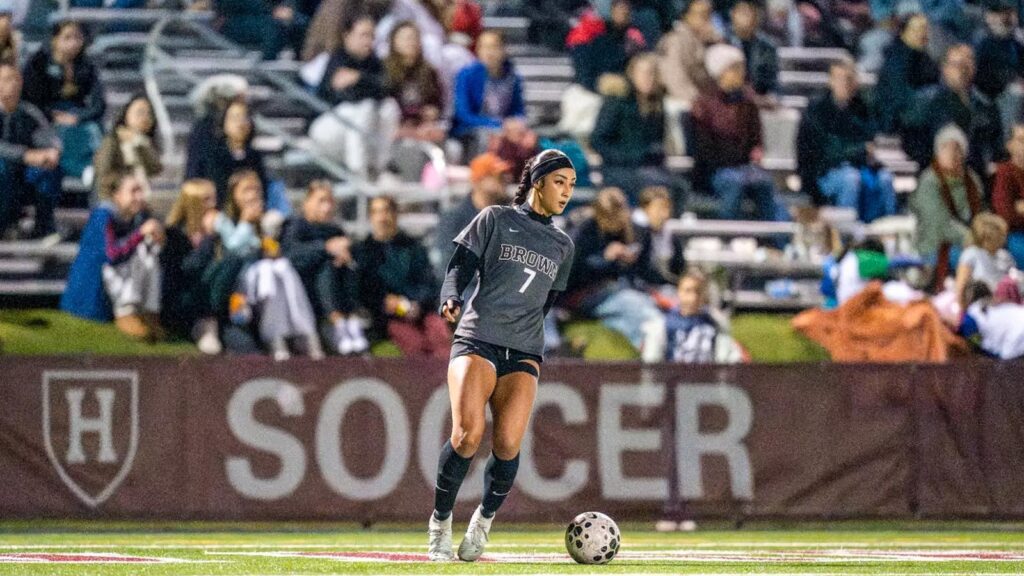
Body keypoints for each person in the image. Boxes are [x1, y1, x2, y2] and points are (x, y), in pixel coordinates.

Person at [427, 149, 577, 562]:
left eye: (571, 184)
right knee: (467, 435)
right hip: (478, 337)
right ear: (538, 182)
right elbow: (459, 265)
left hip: (525, 348)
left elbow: (546, 303)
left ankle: (483, 521)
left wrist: (525, 332)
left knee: (508, 444)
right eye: (560, 181)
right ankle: (440, 523)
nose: (566, 192)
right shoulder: (495, 218)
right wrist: (451, 296)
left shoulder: (563, 244)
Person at [215, 170, 324, 361]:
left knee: (282, 267)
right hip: (239, 289)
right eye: (247, 189)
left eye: (256, 189)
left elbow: (282, 252)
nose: (253, 195)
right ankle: (273, 336)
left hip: (270, 287)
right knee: (267, 270)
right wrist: (246, 223)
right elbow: (233, 250)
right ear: (234, 194)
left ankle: (302, 332)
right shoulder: (224, 221)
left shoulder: (269, 221)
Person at [564, 187, 667, 362]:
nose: (615, 223)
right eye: (609, 218)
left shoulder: (637, 231)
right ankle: (650, 357)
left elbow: (647, 271)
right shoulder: (584, 229)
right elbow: (571, 273)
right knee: (648, 317)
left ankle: (645, 352)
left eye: (619, 216)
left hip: (625, 289)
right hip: (585, 292)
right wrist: (606, 259)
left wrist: (631, 260)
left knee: (638, 315)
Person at [61, 172, 165, 341]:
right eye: (133, 191)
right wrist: (140, 233)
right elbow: (112, 255)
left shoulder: (137, 216)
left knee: (150, 252)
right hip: (91, 294)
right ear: (117, 195)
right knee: (139, 251)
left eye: (140, 191)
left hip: (116, 281)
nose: (139, 197)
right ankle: (127, 312)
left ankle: (150, 313)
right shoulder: (104, 216)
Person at [692, 44, 783, 221]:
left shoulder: (748, 103)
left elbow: (757, 139)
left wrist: (756, 153)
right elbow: (704, 149)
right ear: (721, 73)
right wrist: (734, 162)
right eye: (734, 69)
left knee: (765, 182)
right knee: (734, 182)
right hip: (715, 170)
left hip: (745, 167)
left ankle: (774, 239)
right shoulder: (703, 105)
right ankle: (728, 236)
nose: (741, 73)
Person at [797, 59, 897, 222]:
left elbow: (869, 143)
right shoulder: (817, 111)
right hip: (823, 173)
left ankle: (886, 235)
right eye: (840, 78)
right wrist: (858, 151)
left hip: (859, 166)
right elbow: (828, 152)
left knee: (885, 179)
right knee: (851, 179)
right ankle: (847, 236)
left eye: (850, 78)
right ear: (830, 81)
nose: (845, 83)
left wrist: (859, 152)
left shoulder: (862, 108)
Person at [354, 196, 449, 357]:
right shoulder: (363, 252)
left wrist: (417, 303)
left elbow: (429, 283)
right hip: (386, 318)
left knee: (440, 335)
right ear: (371, 217)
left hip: (421, 311)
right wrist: (385, 302)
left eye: (386, 211)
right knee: (414, 344)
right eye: (377, 212)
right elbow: (363, 291)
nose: (382, 218)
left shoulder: (413, 248)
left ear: (395, 215)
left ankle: (447, 381)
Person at [280, 180, 368, 355]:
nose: (327, 207)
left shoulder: (335, 230)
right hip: (305, 298)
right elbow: (291, 256)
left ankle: (350, 320)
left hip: (337, 294)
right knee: (326, 265)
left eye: (329, 201)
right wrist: (325, 248)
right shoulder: (295, 226)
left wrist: (347, 254)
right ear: (307, 202)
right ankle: (337, 322)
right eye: (321, 201)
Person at [309, 13, 400, 179]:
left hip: (357, 131)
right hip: (326, 129)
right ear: (347, 35)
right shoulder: (337, 59)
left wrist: (358, 78)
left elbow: (386, 88)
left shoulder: (373, 62)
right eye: (363, 35)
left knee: (389, 107)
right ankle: (358, 173)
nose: (368, 41)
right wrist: (367, 86)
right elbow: (343, 96)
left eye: (372, 36)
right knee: (364, 107)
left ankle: (381, 166)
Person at [901, 44, 1004, 179]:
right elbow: (911, 140)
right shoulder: (926, 100)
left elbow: (996, 145)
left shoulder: (985, 105)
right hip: (936, 175)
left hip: (977, 177)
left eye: (967, 65)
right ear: (945, 68)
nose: (963, 71)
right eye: (958, 65)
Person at [591, 52, 681, 206]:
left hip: (647, 168)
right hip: (618, 169)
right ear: (632, 74)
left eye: (652, 73)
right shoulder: (616, 102)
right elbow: (598, 140)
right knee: (658, 185)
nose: (648, 78)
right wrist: (627, 157)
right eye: (644, 73)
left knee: (679, 187)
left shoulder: (657, 106)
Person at [21, 20, 104, 179]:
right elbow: (31, 100)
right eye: (67, 38)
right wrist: (54, 116)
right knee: (63, 134)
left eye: (77, 38)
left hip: (76, 114)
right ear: (55, 40)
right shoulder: (38, 63)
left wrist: (79, 117)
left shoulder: (87, 66)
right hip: (44, 117)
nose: (73, 43)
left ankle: (95, 169)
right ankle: (80, 169)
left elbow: (99, 103)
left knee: (94, 130)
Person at [909, 124, 986, 280]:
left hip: (972, 242)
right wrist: (973, 239)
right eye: (946, 148)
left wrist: (986, 235)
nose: (952, 153)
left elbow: (981, 214)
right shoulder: (929, 181)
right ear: (937, 152)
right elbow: (939, 223)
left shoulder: (972, 180)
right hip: (935, 244)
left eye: (956, 148)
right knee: (976, 261)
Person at [0, 62, 61, 239]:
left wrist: (51, 152)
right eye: (5, 80)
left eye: (15, 80)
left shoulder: (29, 112)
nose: (11, 84)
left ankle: (43, 227)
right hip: (5, 173)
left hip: (22, 175)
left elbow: (47, 138)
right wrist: (24, 155)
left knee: (49, 169)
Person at [162, 179, 222, 354]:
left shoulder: (219, 231)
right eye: (206, 199)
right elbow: (188, 268)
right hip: (184, 302)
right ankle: (204, 328)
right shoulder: (174, 234)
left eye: (214, 198)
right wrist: (209, 239)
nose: (213, 205)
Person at [450, 30, 526, 158]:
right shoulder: (467, 75)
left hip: (504, 128)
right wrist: (498, 124)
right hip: (472, 130)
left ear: (503, 50)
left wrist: (517, 122)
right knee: (488, 137)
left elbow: (518, 110)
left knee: (528, 137)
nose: (488, 52)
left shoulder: (513, 77)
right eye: (483, 47)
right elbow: (463, 114)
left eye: (493, 47)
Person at [433, 152, 511, 277]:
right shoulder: (454, 218)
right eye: (498, 176)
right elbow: (446, 266)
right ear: (479, 180)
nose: (506, 179)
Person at [195, 99, 269, 207]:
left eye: (245, 117)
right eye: (235, 118)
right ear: (224, 123)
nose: (240, 123)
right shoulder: (213, 155)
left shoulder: (255, 156)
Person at [873, 13, 939, 134]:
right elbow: (899, 98)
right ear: (903, 33)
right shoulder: (896, 60)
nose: (922, 34)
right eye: (916, 29)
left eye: (925, 29)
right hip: (899, 124)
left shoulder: (923, 56)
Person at [383, 21, 446, 144]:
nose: (410, 42)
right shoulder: (385, 70)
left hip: (423, 125)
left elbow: (437, 102)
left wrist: (433, 111)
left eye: (414, 38)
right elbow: (387, 103)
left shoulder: (429, 71)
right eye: (405, 38)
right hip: (396, 126)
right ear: (394, 42)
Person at [665, 269, 742, 363]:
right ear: (679, 292)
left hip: (708, 375)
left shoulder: (714, 322)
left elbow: (727, 351)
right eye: (687, 291)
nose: (693, 298)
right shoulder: (666, 322)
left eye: (698, 292)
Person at [93, 94, 162, 199]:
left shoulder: (146, 143)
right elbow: (103, 173)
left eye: (149, 113)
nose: (145, 117)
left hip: (141, 198)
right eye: (139, 112)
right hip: (113, 198)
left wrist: (140, 143)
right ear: (126, 114)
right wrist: (125, 183)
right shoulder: (112, 141)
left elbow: (155, 169)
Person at [571, 0, 647, 93]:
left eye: (627, 10)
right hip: (598, 85)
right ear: (612, 12)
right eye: (620, 9)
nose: (624, 12)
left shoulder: (635, 38)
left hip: (627, 88)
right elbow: (588, 71)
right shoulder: (598, 37)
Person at [656, 0, 719, 105]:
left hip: (708, 100)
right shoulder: (676, 40)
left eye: (708, 14)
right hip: (685, 102)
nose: (706, 19)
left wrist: (715, 43)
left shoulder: (711, 40)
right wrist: (701, 103)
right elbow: (675, 79)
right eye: (701, 14)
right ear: (687, 16)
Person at [955, 213, 1015, 308]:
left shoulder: (1004, 255)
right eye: (1000, 236)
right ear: (986, 238)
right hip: (979, 306)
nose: (1003, 239)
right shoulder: (971, 254)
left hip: (1004, 304)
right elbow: (961, 288)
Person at [215, 0, 309, 60]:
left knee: (302, 22)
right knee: (273, 28)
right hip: (235, 21)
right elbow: (227, 5)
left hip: (267, 17)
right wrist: (272, 10)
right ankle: (267, 68)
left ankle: (301, 61)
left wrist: (287, 8)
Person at [634, 186, 686, 287]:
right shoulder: (635, 234)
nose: (665, 215)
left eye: (667, 209)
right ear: (645, 209)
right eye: (659, 209)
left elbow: (678, 268)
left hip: (667, 288)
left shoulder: (671, 237)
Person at [726, 0, 779, 97]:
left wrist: (771, 98)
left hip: (760, 98)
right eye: (742, 12)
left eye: (749, 12)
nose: (745, 16)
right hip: (731, 99)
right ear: (732, 14)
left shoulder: (767, 46)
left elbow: (772, 82)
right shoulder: (724, 42)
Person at [992, 124, 1024, 267]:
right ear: (1009, 145)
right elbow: (1006, 214)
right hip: (1015, 235)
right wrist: (1016, 209)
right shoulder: (1005, 172)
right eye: (1021, 140)